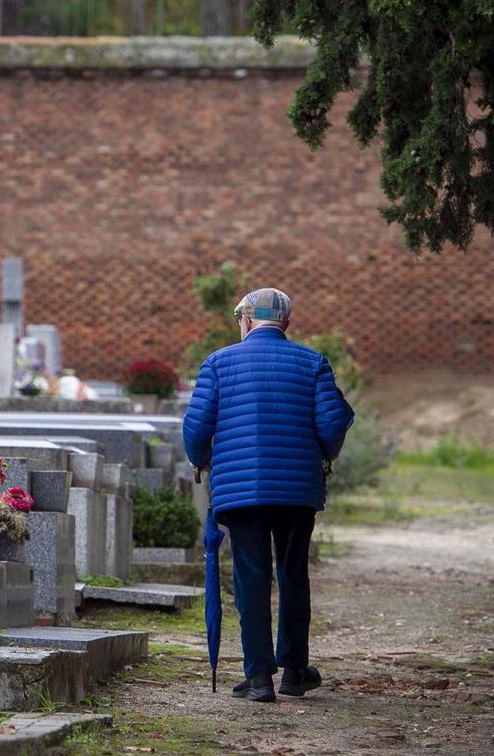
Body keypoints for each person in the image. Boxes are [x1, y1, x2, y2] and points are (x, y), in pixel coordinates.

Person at [182, 288, 355, 703]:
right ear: (286, 324)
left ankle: (259, 677)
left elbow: (196, 428)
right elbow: (333, 424)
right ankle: (294, 672)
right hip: (297, 491)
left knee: (251, 578)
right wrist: (324, 454)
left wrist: (202, 459)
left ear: (245, 321)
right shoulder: (313, 362)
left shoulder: (218, 362)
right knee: (293, 574)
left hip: (242, 493)